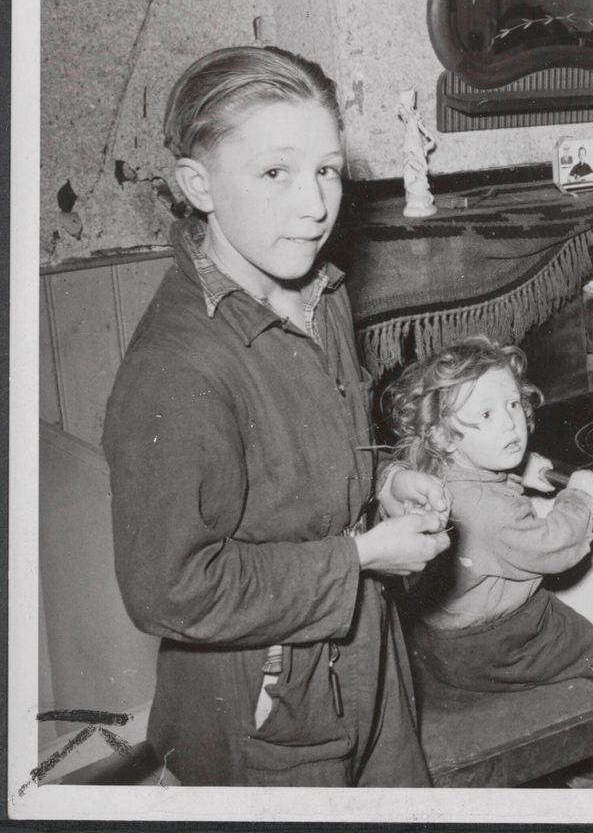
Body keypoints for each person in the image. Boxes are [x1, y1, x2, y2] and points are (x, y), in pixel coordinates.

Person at [103, 45, 452, 787]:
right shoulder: (178, 365)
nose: (315, 204)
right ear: (198, 185)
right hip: (261, 710)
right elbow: (170, 588)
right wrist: (358, 557)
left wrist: (383, 483)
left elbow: (311, 456)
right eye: (275, 173)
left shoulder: (320, 292)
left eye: (327, 169)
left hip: (367, 662)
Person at [383, 335, 593, 701]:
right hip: (492, 645)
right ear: (444, 436)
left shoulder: (432, 473)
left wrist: (516, 473)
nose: (511, 424)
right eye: (487, 414)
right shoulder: (494, 512)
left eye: (512, 404)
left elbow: (475, 485)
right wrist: (579, 496)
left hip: (436, 635)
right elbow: (556, 545)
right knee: (586, 644)